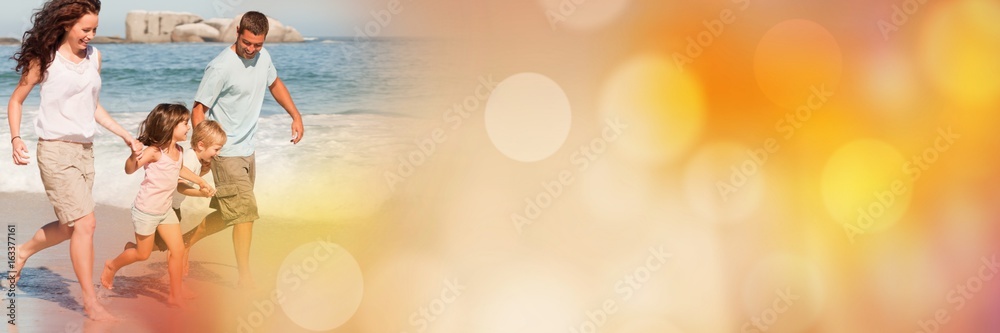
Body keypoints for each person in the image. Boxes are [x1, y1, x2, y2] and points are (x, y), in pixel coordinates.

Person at [6, 0, 142, 321]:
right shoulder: (45, 59)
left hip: (85, 153)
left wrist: (125, 134)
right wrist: (15, 138)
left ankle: (21, 252)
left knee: (71, 228)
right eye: (85, 29)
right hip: (54, 151)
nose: (91, 35)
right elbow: (16, 100)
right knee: (86, 223)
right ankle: (90, 302)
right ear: (67, 24)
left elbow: (92, 106)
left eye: (95, 29)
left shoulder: (95, 58)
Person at [191, 11, 304, 289]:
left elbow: (274, 84)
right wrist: (203, 152)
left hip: (248, 149)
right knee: (246, 213)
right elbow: (198, 111)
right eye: (247, 43)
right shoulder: (220, 67)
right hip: (225, 152)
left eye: (258, 44)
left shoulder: (263, 58)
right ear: (238, 31)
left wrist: (295, 115)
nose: (251, 50)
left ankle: (182, 243)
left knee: (232, 214)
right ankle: (245, 278)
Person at [100, 103, 214, 308]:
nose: (189, 127)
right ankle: (112, 265)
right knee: (142, 254)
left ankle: (175, 294)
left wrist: (201, 181)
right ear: (171, 126)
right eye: (185, 123)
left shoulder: (179, 150)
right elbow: (129, 170)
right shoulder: (154, 152)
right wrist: (133, 155)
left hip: (165, 210)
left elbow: (180, 170)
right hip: (146, 211)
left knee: (177, 251)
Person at [150, 120, 226, 278]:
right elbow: (180, 186)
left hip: (172, 207)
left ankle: (135, 250)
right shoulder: (190, 159)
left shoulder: (196, 160)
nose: (217, 153)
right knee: (174, 246)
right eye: (216, 149)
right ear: (201, 145)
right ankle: (173, 281)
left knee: (160, 245)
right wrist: (201, 193)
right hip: (167, 207)